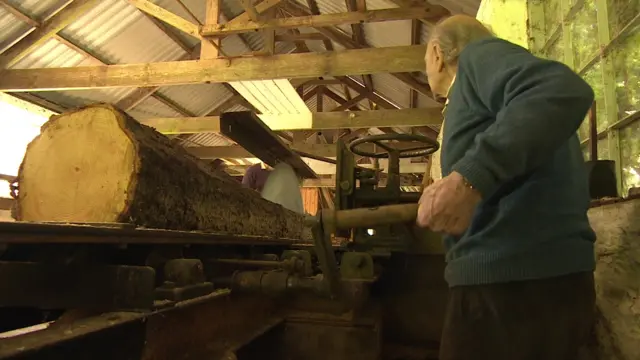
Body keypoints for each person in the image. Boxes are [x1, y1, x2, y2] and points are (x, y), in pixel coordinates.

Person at [416, 15, 596, 360]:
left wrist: (468, 179)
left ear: (437, 53)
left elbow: (562, 88)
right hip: (534, 279)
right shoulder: (494, 93)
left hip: (510, 284)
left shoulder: (478, 59)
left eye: (425, 58)